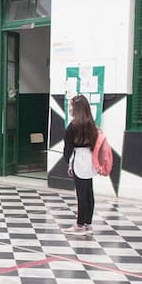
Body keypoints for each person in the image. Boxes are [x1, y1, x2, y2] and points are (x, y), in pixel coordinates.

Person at [62, 93, 98, 235]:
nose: (69, 108)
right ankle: (88, 223)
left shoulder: (73, 125)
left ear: (76, 108)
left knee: (81, 194)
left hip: (79, 160)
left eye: (71, 105)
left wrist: (68, 162)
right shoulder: (91, 123)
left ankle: (79, 225)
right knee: (89, 192)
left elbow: (68, 147)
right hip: (90, 159)